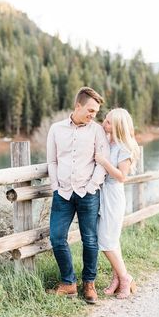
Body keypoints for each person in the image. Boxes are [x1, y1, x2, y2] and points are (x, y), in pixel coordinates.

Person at [46, 87, 110, 304]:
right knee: (56, 237)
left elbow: (102, 161)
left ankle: (89, 284)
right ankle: (68, 282)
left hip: (88, 193)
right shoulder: (56, 129)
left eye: (96, 112)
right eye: (91, 110)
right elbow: (52, 161)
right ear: (78, 106)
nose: (93, 115)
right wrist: (55, 186)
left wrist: (93, 186)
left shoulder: (97, 130)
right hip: (62, 193)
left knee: (90, 240)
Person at [95, 108, 140, 299]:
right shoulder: (108, 142)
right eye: (105, 120)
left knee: (106, 241)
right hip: (102, 194)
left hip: (113, 195)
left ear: (117, 126)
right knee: (110, 239)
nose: (103, 123)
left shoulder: (124, 148)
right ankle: (116, 279)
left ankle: (125, 277)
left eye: (107, 122)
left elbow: (122, 176)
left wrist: (104, 163)